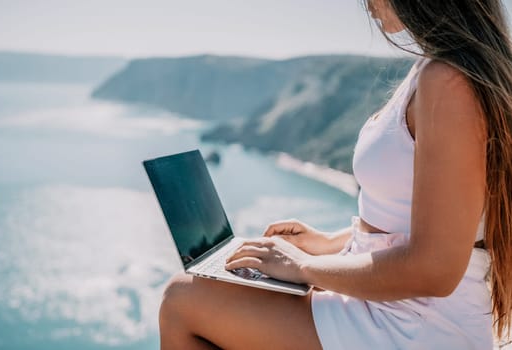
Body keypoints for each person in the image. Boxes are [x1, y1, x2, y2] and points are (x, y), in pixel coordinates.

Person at [158, 0, 512, 348]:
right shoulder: (438, 72)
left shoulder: (448, 83)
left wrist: (303, 267)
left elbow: (435, 268)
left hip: (414, 325)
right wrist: (328, 243)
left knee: (181, 302)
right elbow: (412, 222)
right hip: (395, 309)